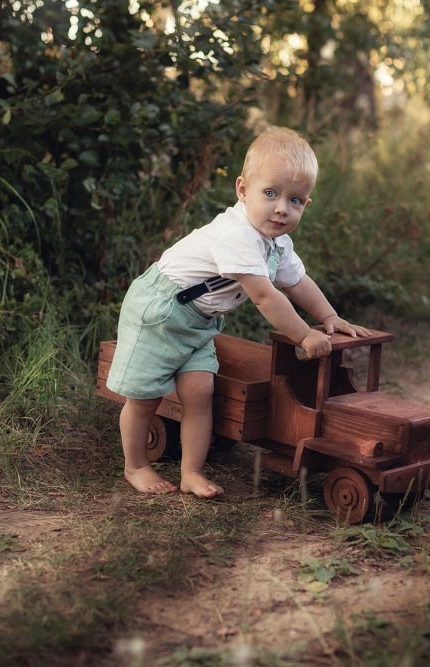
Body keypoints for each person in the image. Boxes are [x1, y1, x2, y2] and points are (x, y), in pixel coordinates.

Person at [106, 127, 371, 498]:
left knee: (200, 390)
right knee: (145, 396)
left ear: (306, 205)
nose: (282, 208)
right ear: (243, 190)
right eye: (270, 193)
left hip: (198, 321)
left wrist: (328, 317)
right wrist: (304, 335)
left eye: (295, 200)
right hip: (160, 311)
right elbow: (266, 297)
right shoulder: (237, 236)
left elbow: (297, 282)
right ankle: (135, 464)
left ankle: (191, 472)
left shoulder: (277, 242)